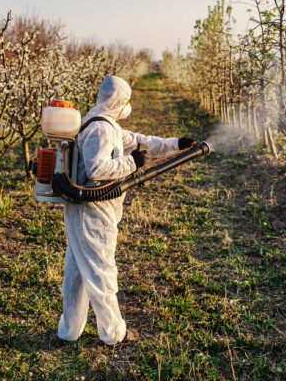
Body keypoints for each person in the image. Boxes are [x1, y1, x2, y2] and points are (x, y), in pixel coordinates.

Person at [57, 75, 195, 345]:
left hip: (80, 211)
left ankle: (69, 330)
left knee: (76, 272)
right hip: (94, 212)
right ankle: (114, 334)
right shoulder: (102, 129)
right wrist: (131, 163)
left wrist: (177, 143)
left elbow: (143, 141)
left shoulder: (98, 122)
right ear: (119, 101)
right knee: (101, 272)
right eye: (126, 101)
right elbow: (98, 169)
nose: (128, 106)